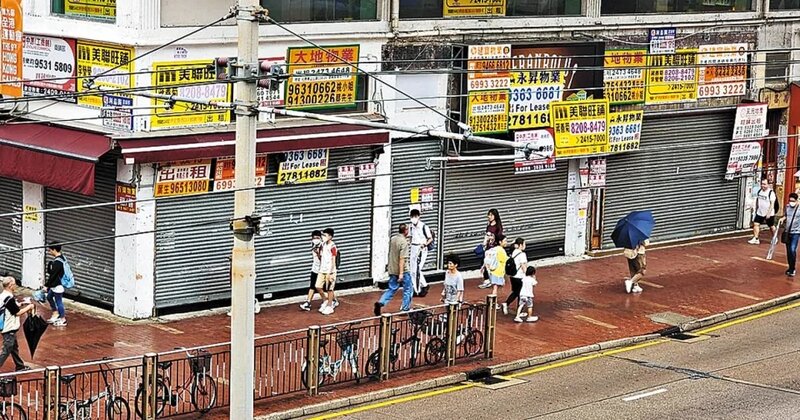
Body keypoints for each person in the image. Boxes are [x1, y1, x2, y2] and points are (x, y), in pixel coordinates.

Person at [374, 224, 413, 316]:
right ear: (406, 231)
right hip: (403, 270)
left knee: (392, 289)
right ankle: (405, 308)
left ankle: (381, 302)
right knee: (408, 289)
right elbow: (402, 259)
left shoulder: (393, 239)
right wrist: (401, 273)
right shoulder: (403, 242)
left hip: (392, 269)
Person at [0, 276, 33, 371]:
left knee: (14, 348)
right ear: (10, 285)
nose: (16, 286)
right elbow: (17, 312)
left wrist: (20, 304)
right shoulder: (8, 298)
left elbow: (10, 307)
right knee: (7, 350)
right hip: (8, 327)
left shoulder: (3, 296)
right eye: (14, 284)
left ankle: (20, 366)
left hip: (8, 327)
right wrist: (29, 307)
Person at [300, 230, 329, 311]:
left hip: (322, 269)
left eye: (317, 238)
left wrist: (318, 253)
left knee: (321, 287)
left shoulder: (323, 246)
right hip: (315, 269)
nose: (315, 239)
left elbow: (323, 259)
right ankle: (308, 303)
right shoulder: (313, 245)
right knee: (312, 286)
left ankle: (328, 301)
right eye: (314, 238)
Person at [409, 209, 433, 297]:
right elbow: (410, 237)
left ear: (419, 217)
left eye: (415, 216)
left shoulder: (424, 226)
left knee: (418, 269)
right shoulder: (411, 226)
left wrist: (424, 244)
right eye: (412, 217)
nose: (413, 218)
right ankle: (419, 287)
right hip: (413, 248)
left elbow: (430, 238)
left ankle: (419, 289)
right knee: (412, 271)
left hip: (421, 249)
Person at [479, 209, 504, 289]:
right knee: (485, 262)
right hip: (488, 247)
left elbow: (499, 236)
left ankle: (495, 279)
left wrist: (492, 238)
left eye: (491, 215)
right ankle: (487, 279)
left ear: (495, 216)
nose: (489, 217)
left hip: (494, 248)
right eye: (488, 215)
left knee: (494, 264)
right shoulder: (489, 225)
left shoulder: (498, 226)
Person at [502, 238, 528, 315]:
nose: (525, 246)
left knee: (516, 292)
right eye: (524, 244)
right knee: (521, 293)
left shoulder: (514, 252)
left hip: (513, 276)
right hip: (520, 276)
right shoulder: (522, 254)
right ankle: (519, 311)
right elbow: (523, 266)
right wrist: (527, 275)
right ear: (520, 245)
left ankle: (506, 303)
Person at [749, 179, 778, 245]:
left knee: (771, 226)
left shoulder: (771, 193)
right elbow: (757, 201)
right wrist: (755, 209)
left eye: (764, 184)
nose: (763, 185)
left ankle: (775, 237)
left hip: (769, 213)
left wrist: (768, 213)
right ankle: (756, 238)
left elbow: (772, 204)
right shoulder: (759, 191)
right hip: (760, 212)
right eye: (762, 184)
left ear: (768, 184)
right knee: (756, 224)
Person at [45, 243, 68, 326]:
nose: (49, 251)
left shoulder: (58, 262)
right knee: (49, 297)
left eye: (50, 250)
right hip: (55, 285)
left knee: (59, 302)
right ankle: (55, 313)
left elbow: (53, 275)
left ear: (54, 249)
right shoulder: (61, 258)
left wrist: (46, 285)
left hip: (58, 285)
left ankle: (63, 319)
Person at [317, 228, 339, 315]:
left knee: (330, 289)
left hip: (330, 271)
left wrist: (331, 272)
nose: (323, 237)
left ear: (330, 236)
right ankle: (325, 300)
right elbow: (321, 257)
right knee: (318, 286)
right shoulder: (322, 245)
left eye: (325, 235)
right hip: (322, 270)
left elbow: (333, 260)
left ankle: (330, 306)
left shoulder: (333, 246)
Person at [779, 193, 800, 276]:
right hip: (788, 232)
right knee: (788, 251)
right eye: (790, 200)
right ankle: (790, 267)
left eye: (793, 201)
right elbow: (786, 216)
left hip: (796, 232)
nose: (791, 202)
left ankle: (792, 268)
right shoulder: (787, 207)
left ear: (797, 200)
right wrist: (782, 219)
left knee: (792, 249)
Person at [487, 234, 509, 300]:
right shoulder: (501, 250)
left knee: (496, 287)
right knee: (495, 288)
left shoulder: (494, 249)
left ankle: (493, 302)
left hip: (493, 271)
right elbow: (505, 260)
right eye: (505, 241)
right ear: (500, 242)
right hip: (498, 272)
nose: (506, 242)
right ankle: (493, 302)